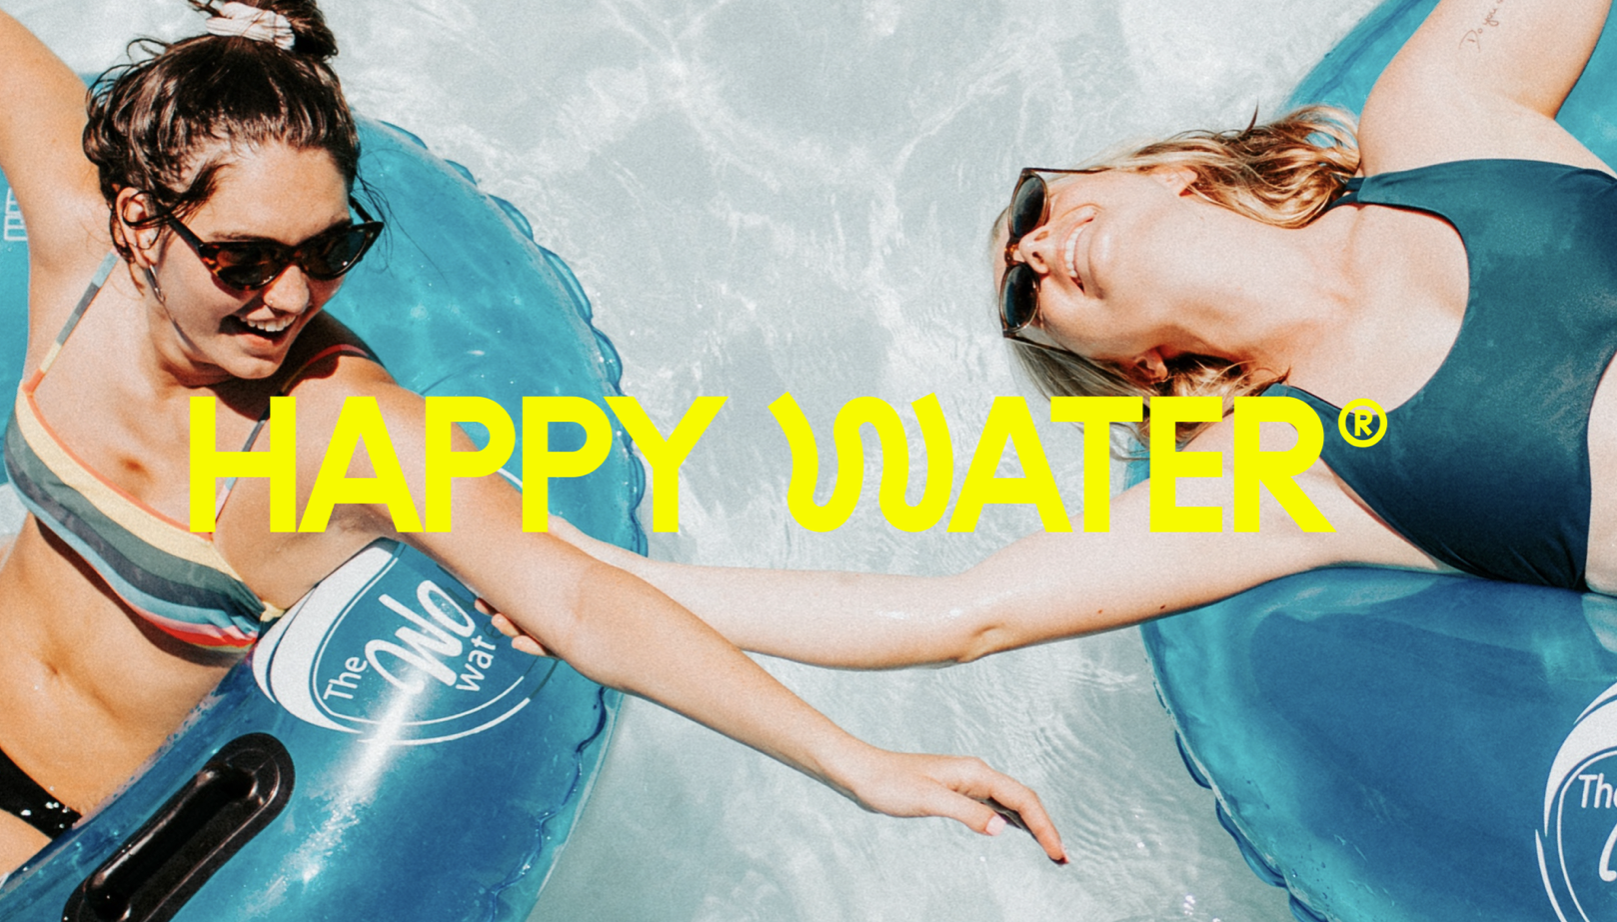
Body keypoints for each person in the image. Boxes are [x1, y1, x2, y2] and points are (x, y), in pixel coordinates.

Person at [0, 0, 1067, 891]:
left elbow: (581, 600)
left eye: (331, 248)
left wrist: (858, 765)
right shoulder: (77, 252)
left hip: (45, 816)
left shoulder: (347, 427)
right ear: (144, 225)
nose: (291, 297)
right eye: (247, 260)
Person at [533, 0, 1617, 758]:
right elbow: (957, 615)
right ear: (1135, 368)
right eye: (1020, 298)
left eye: (1031, 208)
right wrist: (569, 567)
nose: (1032, 251)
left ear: (1162, 174)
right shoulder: (1274, 472)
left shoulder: (1437, 123)